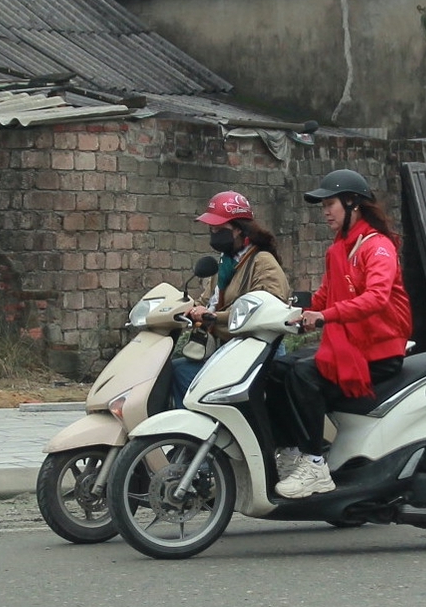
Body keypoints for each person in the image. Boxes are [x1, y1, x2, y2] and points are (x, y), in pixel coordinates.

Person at [267, 169, 412, 498]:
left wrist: (324, 317)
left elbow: (376, 297)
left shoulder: (377, 247)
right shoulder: (340, 248)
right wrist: (288, 313)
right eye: (323, 206)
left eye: (330, 204)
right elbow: (324, 296)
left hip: (379, 352)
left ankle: (316, 464)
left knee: (304, 375)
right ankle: (291, 453)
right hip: (350, 345)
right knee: (278, 369)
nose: (326, 212)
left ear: (353, 204)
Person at [170, 191, 289, 409]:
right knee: (177, 370)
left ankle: (202, 431)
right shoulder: (225, 263)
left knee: (188, 376)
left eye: (219, 229)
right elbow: (207, 299)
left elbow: (269, 308)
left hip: (255, 353)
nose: (214, 234)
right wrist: (186, 308)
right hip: (227, 349)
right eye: (212, 229)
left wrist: (215, 316)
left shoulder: (262, 262)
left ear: (238, 229)